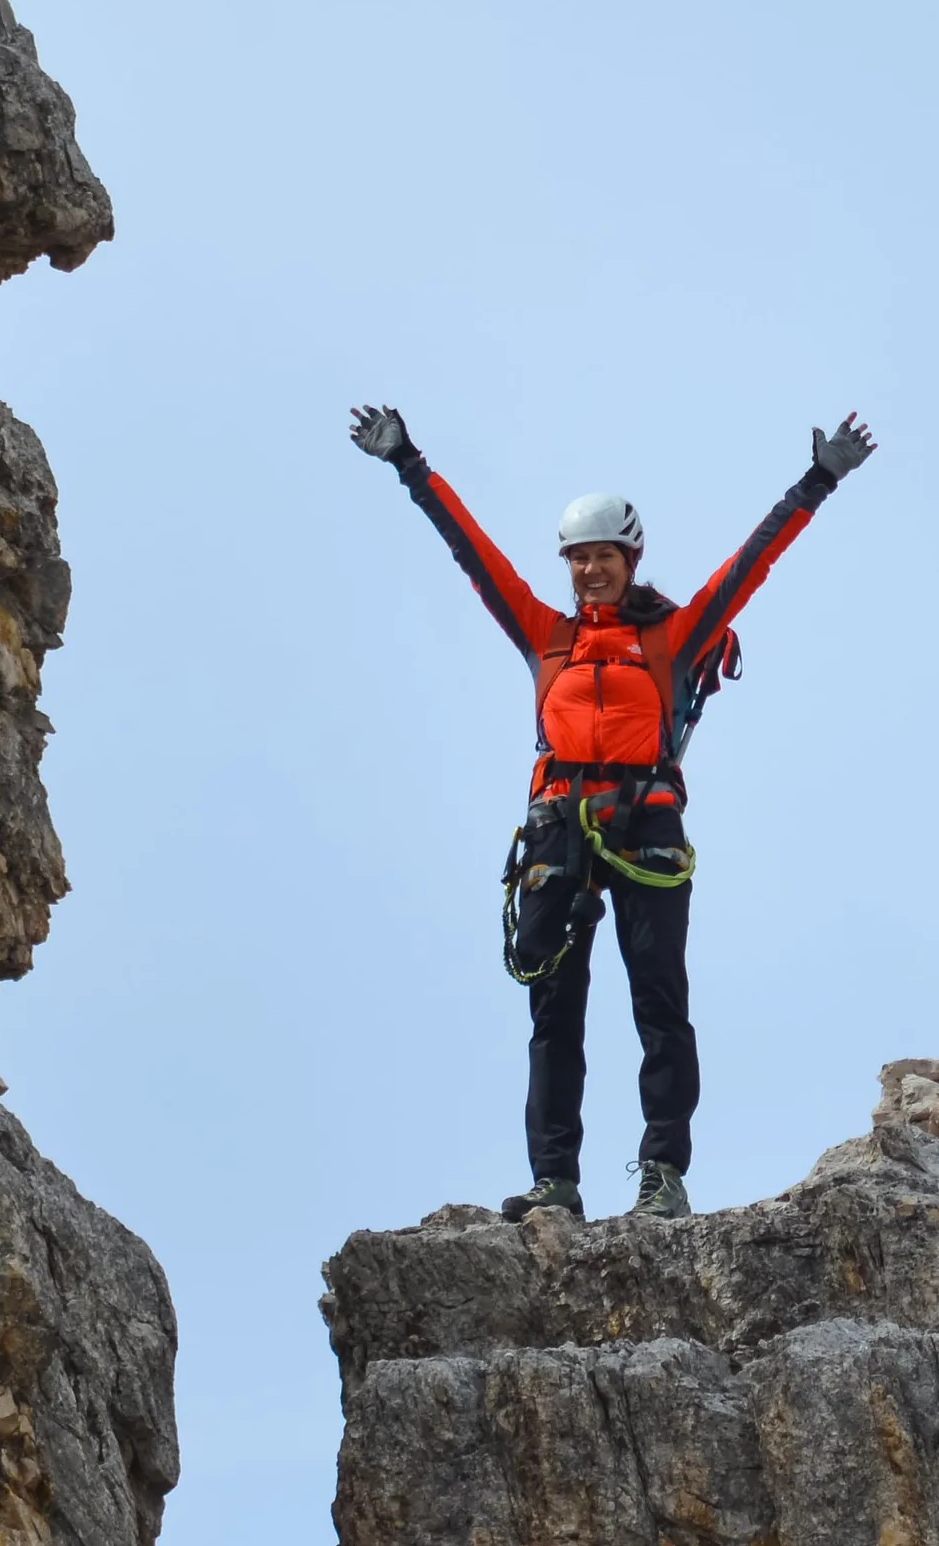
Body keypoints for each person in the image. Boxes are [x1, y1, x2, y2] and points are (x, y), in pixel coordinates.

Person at [349, 403, 877, 1220]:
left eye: (604, 556)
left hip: (646, 830)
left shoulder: (673, 637)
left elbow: (751, 565)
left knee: (659, 1003)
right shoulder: (546, 636)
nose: (589, 570)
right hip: (559, 831)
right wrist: (409, 465)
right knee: (553, 1015)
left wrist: (818, 481)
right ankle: (555, 1183)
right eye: (577, 558)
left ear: (631, 560)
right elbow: (471, 551)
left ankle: (662, 1174)